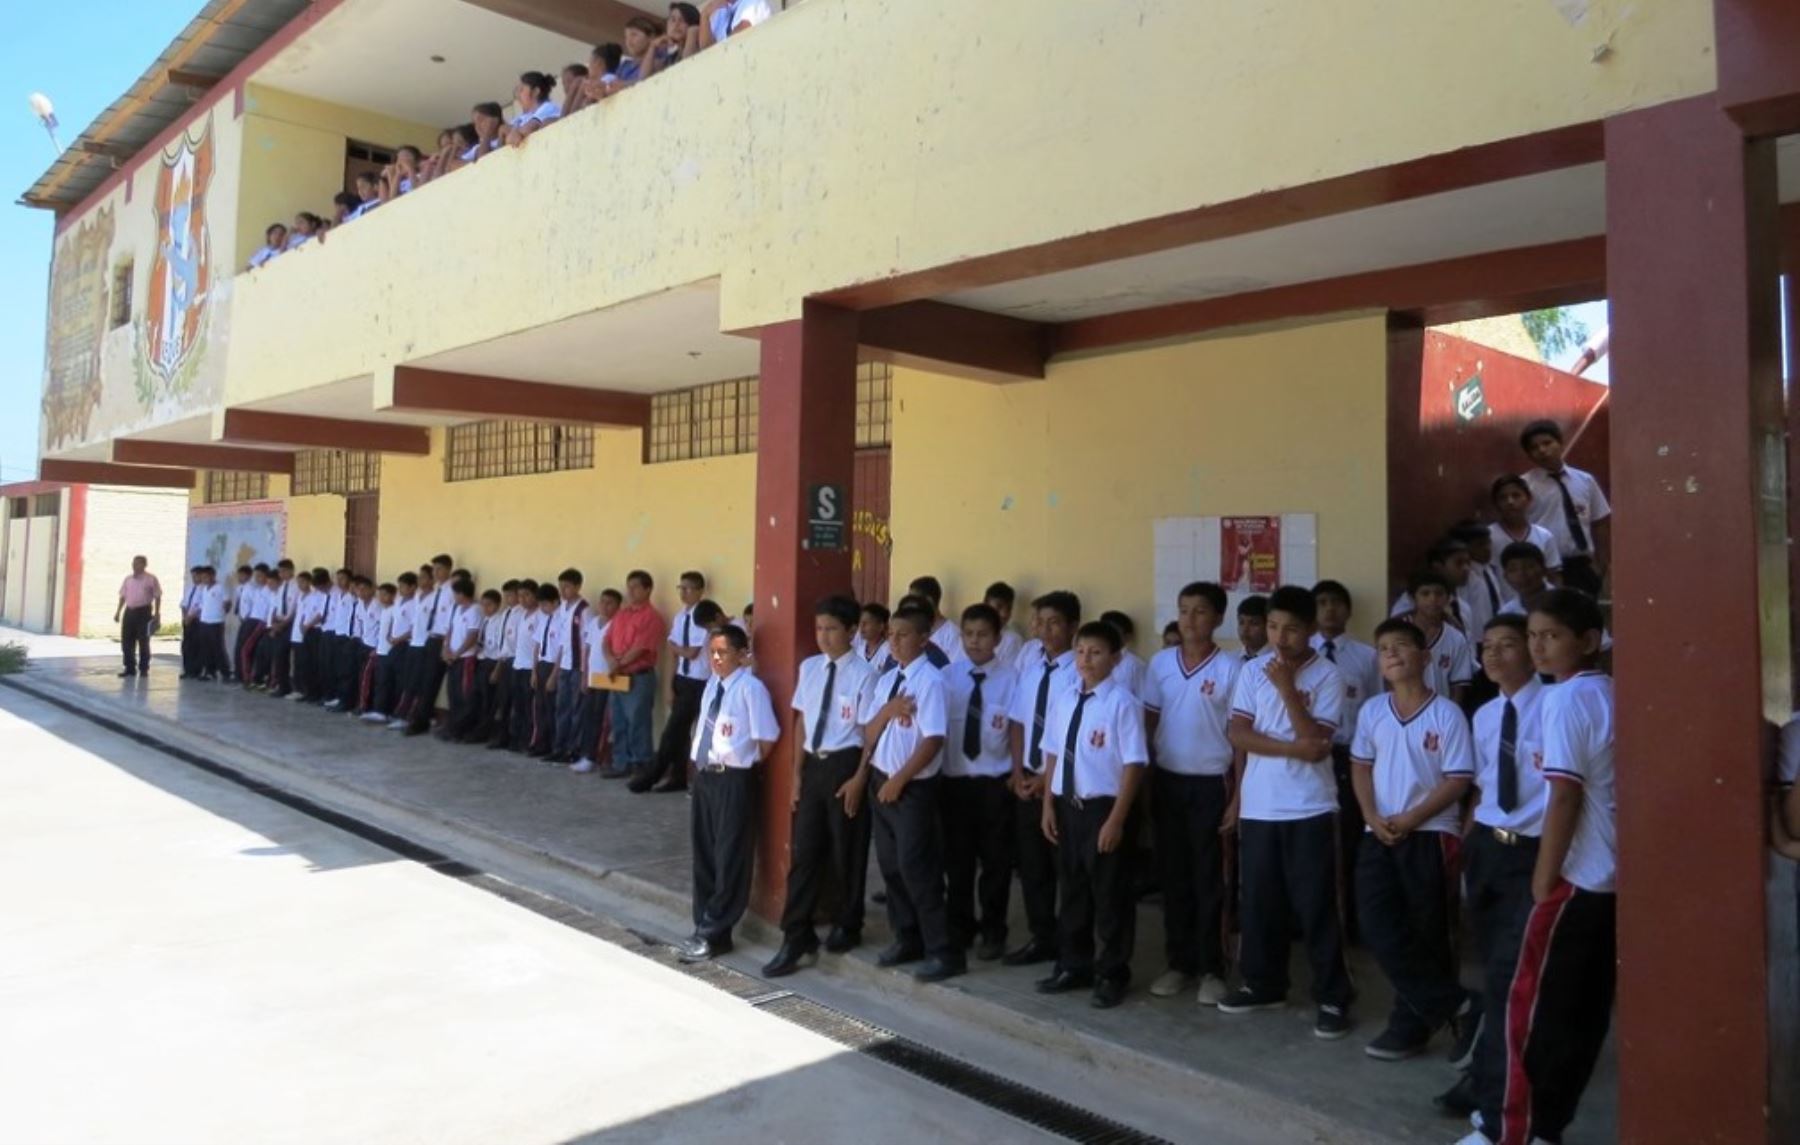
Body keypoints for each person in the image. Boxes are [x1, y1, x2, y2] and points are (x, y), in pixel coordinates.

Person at [1463, 590, 1615, 1145]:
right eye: (1534, 635)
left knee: (1523, 1006)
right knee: (1575, 1007)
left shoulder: (1566, 700)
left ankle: (1505, 1130)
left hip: (1571, 875)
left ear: (1590, 641)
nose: (1538, 646)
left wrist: (1543, 879)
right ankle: (1547, 1126)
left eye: (1549, 636)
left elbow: (1565, 796)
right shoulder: (1602, 693)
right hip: (1599, 877)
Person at [1220, 585, 1352, 1039]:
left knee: (1317, 905)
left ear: (1312, 630)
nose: (1280, 637)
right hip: (1260, 806)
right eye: (1274, 626)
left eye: (1292, 629)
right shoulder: (1253, 670)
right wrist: (1291, 747)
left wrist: (1287, 690)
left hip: (1310, 807)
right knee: (1258, 902)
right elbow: (1238, 733)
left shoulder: (1328, 676)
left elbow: (1317, 744)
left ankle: (1334, 995)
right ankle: (1263, 983)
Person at [1350, 618, 1478, 1062]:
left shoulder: (1447, 713)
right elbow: (1361, 767)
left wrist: (1411, 817)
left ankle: (1411, 1025)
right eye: (1383, 647)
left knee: (1428, 932)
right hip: (1378, 833)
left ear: (1424, 657)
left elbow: (1458, 778)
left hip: (1429, 834)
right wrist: (1370, 814)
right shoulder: (1371, 712)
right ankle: (1459, 1004)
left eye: (1401, 646)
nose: (1391, 654)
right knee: (1377, 925)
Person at [1436, 614, 1549, 1118]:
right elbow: (1482, 787)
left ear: (1531, 650)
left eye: (1507, 645)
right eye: (1487, 647)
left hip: (1534, 851)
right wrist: (1466, 844)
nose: (1494, 655)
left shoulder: (1555, 707)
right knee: (1490, 967)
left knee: (1512, 973)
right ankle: (1488, 1071)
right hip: (1488, 846)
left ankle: (1491, 1083)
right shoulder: (1484, 715)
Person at [1037, 620, 1149, 1008]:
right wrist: (1048, 804)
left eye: (1097, 652)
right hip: (1068, 807)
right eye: (1081, 651)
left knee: (1111, 896)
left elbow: (1135, 764)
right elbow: (1052, 751)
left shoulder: (1122, 703)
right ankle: (1074, 964)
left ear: (1115, 659)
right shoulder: (1065, 698)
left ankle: (1112, 972)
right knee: (1072, 891)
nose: (1086, 659)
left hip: (1104, 808)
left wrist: (1117, 819)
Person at [766, 595, 880, 976]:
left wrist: (860, 777)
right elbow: (801, 723)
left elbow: (868, 734)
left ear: (851, 631)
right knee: (805, 852)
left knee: (847, 849)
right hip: (814, 766)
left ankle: (850, 921)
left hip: (846, 765)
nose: (823, 636)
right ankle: (796, 934)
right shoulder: (810, 668)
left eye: (832, 629)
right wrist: (797, 774)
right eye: (819, 628)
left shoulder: (865, 675)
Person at [854, 602, 962, 982]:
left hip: (911, 788)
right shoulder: (887, 680)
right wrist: (887, 711)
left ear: (923, 638)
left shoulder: (930, 681)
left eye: (903, 635)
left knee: (919, 868)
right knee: (891, 866)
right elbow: (868, 734)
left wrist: (900, 780)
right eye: (892, 635)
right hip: (880, 783)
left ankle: (942, 950)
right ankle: (907, 936)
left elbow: (932, 740)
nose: (895, 642)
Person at [1143, 581, 1239, 1006]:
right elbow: (1148, 724)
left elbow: (1240, 738)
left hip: (1212, 783)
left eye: (1200, 611)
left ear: (1218, 618)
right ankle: (1179, 962)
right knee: (1174, 875)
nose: (1190, 619)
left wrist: (1237, 796)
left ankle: (1213, 968)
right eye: (1183, 611)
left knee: (1210, 878)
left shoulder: (1231, 669)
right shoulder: (1161, 664)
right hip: (1168, 780)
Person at [675, 623, 779, 962]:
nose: (716, 658)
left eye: (723, 652)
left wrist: (739, 765)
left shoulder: (751, 689)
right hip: (706, 776)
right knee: (704, 853)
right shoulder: (711, 686)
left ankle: (715, 930)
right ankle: (703, 924)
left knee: (730, 855)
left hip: (733, 778)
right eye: (712, 652)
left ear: (742, 655)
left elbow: (766, 739)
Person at [939, 603, 1021, 962]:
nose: (975, 641)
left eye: (983, 634)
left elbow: (1017, 730)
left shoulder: (1012, 678)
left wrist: (1016, 772)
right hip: (955, 784)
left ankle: (993, 930)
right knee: (957, 864)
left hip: (994, 784)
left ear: (998, 638)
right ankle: (960, 928)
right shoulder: (947, 677)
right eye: (969, 634)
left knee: (996, 864)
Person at [1004, 590, 1082, 966]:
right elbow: (1019, 722)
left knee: (1066, 871)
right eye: (1040, 622)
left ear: (1073, 627)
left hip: (1062, 786)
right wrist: (1018, 771)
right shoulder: (1033, 668)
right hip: (1028, 781)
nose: (1045, 630)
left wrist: (1046, 781)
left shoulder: (1079, 673)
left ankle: (1072, 947)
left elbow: (1070, 736)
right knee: (1032, 869)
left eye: (1054, 623)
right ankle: (1042, 937)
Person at [1310, 579, 1381, 943]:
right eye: (1321, 603)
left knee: (1350, 838)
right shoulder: (1299, 653)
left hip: (1351, 756)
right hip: (1309, 756)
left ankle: (1350, 922)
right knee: (1313, 841)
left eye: (1337, 603)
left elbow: (1377, 710)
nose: (1330, 609)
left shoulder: (1367, 657)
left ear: (1349, 611)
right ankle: (1312, 920)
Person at [1518, 420, 1610, 597]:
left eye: (1547, 443)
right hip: (1544, 567)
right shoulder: (1525, 486)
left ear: (1560, 443)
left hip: (1581, 565)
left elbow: (1599, 522)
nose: (1542, 450)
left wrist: (1602, 564)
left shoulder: (1585, 481)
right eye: (1534, 448)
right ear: (1529, 455)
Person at [641, 571, 710, 792]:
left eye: (689, 588)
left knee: (689, 731)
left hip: (701, 680)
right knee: (678, 732)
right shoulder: (681, 617)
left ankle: (657, 775)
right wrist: (670, 686)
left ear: (700, 591)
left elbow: (691, 653)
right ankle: (677, 776)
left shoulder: (703, 616)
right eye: (681, 588)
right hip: (683, 679)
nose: (684, 593)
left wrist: (675, 648)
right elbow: (674, 654)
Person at [607, 570, 668, 778]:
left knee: (638, 721)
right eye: (629, 586)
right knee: (618, 720)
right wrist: (611, 661)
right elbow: (606, 641)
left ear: (648, 589)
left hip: (638, 676)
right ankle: (620, 762)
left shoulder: (652, 617)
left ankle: (641, 763)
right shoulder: (622, 614)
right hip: (618, 675)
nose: (631, 591)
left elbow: (641, 648)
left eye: (635, 587)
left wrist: (618, 664)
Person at [1402, 570, 1474, 707]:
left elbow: (1458, 685)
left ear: (1448, 598)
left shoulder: (1456, 637)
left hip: (1440, 712)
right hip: (1403, 710)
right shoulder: (1398, 631)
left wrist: (1452, 714)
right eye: (1425, 593)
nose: (1433, 599)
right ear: (1413, 598)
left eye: (1439, 593)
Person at [403, 556, 456, 735]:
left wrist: (446, 644)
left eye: (439, 569)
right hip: (430, 637)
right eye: (434, 569)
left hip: (443, 640)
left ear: (449, 569)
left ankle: (421, 721)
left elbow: (451, 620)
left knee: (431, 682)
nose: (436, 573)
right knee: (425, 681)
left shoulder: (451, 591)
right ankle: (420, 717)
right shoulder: (437, 591)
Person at [573, 588, 623, 774]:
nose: (604, 606)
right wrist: (584, 675)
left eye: (610, 603)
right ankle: (587, 755)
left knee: (604, 720)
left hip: (609, 678)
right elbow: (586, 650)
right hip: (593, 677)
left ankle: (598, 756)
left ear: (618, 606)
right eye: (602, 601)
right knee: (590, 717)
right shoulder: (594, 622)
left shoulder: (617, 624)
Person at [547, 569, 591, 763]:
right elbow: (562, 643)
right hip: (564, 666)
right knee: (561, 709)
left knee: (577, 711)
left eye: (567, 587)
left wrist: (584, 673)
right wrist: (554, 672)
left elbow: (586, 644)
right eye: (561, 586)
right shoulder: (563, 608)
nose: (563, 590)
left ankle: (574, 749)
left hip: (577, 668)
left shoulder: (584, 610)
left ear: (578, 586)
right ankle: (559, 747)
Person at [1488, 475, 1563, 583]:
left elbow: (1554, 576)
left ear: (1529, 499)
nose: (1510, 502)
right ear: (1496, 504)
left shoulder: (1544, 536)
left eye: (1516, 495)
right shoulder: (1489, 536)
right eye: (1503, 497)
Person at [526, 582, 562, 756]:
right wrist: (534, 670)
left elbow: (563, 649)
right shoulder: (544, 618)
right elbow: (537, 645)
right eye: (540, 604)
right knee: (539, 707)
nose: (542, 608)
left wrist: (554, 675)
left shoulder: (562, 619)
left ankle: (553, 745)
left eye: (545, 604)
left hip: (553, 666)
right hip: (541, 665)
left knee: (552, 708)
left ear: (555, 602)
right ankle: (540, 743)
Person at [115, 556, 163, 679]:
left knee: (143, 641)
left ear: (144, 565)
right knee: (127, 640)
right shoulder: (128, 579)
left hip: (144, 612)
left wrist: (157, 613)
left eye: (138, 564)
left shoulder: (150, 579)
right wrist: (118, 612)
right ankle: (129, 668)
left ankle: (144, 668)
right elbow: (123, 596)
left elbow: (157, 596)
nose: (134, 566)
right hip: (129, 611)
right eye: (133, 563)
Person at [355, 581, 393, 718]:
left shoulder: (378, 607)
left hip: (375, 647)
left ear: (372, 590)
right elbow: (361, 623)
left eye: (364, 589)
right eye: (359, 590)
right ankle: (364, 704)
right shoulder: (360, 604)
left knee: (368, 677)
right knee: (363, 675)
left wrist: (376, 647)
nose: (361, 593)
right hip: (364, 643)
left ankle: (364, 706)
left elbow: (381, 630)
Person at [262, 560, 299, 695]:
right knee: (278, 656)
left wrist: (282, 625)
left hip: (289, 624)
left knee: (285, 655)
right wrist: (273, 624)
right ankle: (281, 685)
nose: (281, 574)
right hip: (279, 623)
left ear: (291, 571)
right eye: (280, 571)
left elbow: (294, 610)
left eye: (283, 571)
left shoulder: (296, 587)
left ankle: (289, 686)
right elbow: (277, 607)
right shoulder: (282, 587)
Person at [506, 72, 562, 147]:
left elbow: (529, 128)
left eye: (521, 90)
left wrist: (517, 132)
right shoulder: (521, 117)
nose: (518, 95)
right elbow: (509, 139)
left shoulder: (548, 107)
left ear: (536, 91)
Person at [1098, 610, 1145, 696]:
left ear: (1127, 637)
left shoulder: (1134, 665)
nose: (1106, 636)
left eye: (1113, 633)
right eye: (1102, 632)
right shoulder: (1095, 660)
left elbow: (1142, 698)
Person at [984, 582, 1025, 667]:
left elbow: (1008, 676)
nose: (1004, 614)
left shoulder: (1013, 640)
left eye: (1009, 609)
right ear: (985, 606)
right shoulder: (972, 632)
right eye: (998, 607)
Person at [652, 3, 702, 73]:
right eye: (673, 20)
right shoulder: (671, 58)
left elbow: (688, 67)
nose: (676, 24)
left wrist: (692, 33)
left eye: (683, 20)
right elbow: (645, 77)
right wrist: (653, 47)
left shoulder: (702, 46)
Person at [700, 0, 773, 47]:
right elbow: (706, 48)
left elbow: (737, 38)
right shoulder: (720, 12)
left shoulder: (753, 2)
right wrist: (705, 16)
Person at [619, 15, 661, 83]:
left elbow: (643, 80)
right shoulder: (624, 65)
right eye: (626, 36)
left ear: (651, 37)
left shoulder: (658, 60)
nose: (628, 41)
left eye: (634, 35)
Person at [1235, 595, 1268, 659]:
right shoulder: (1232, 658)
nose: (1245, 629)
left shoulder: (1277, 661)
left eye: (1254, 623)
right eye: (1241, 622)